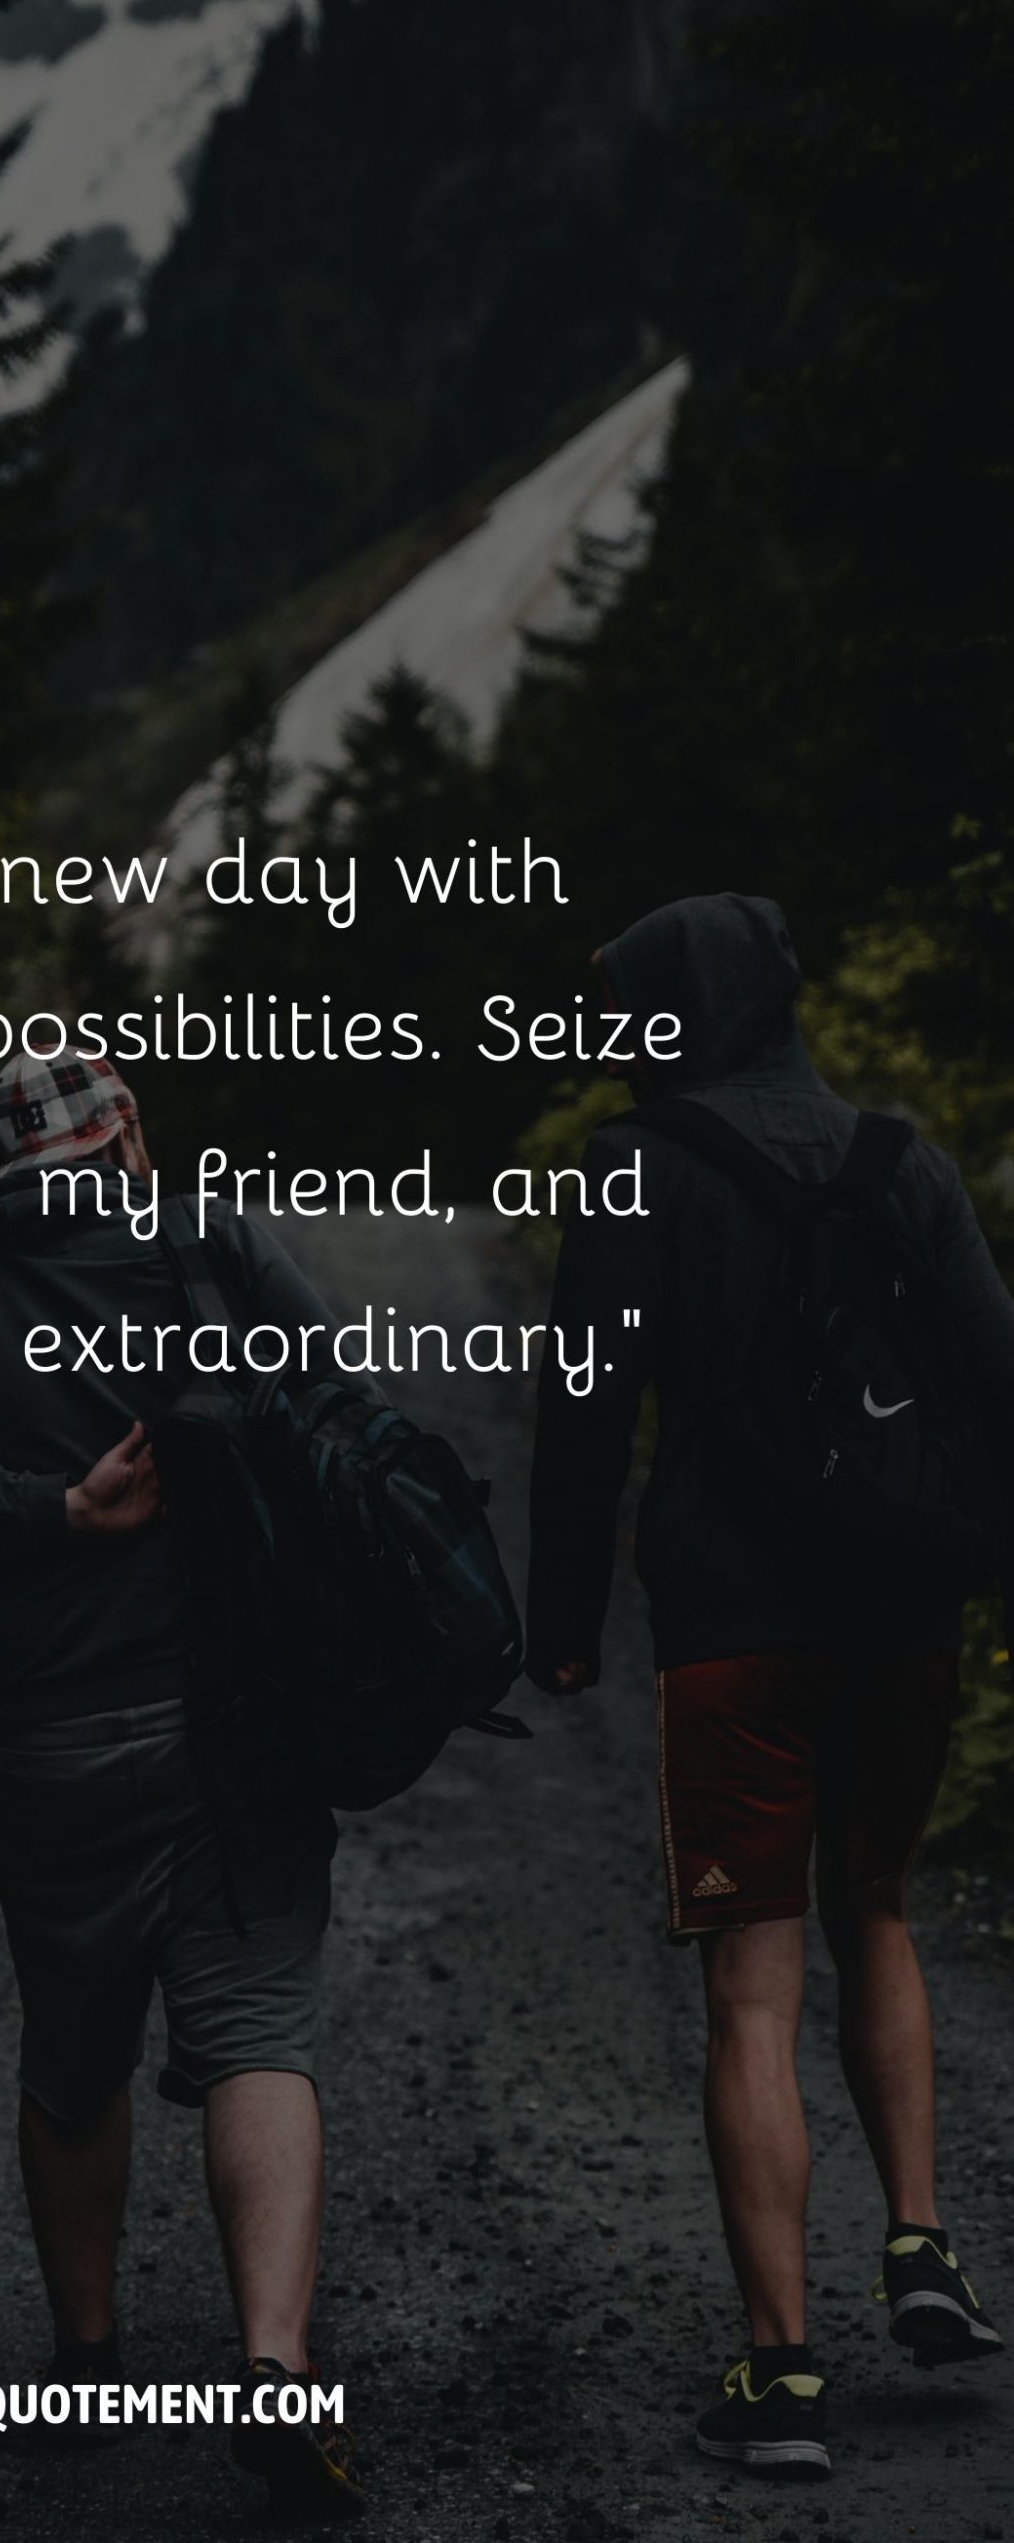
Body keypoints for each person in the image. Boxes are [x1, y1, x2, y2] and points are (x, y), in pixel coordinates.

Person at [0, 1047, 363, 2520]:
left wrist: (50, 1511)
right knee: (259, 2034)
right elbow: (331, 1403)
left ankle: (84, 2366)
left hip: (47, 1740)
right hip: (233, 1726)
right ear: (122, 1125)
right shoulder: (215, 1238)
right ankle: (270, 2362)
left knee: (73, 2064)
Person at [526, 893, 1009, 2477]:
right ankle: (924, 2240)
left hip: (734, 1618)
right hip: (904, 1616)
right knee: (878, 1903)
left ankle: (784, 2372)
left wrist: (564, 1618)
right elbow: (996, 1375)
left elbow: (586, 1415)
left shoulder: (624, 1172)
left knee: (752, 1977)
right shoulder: (900, 1158)